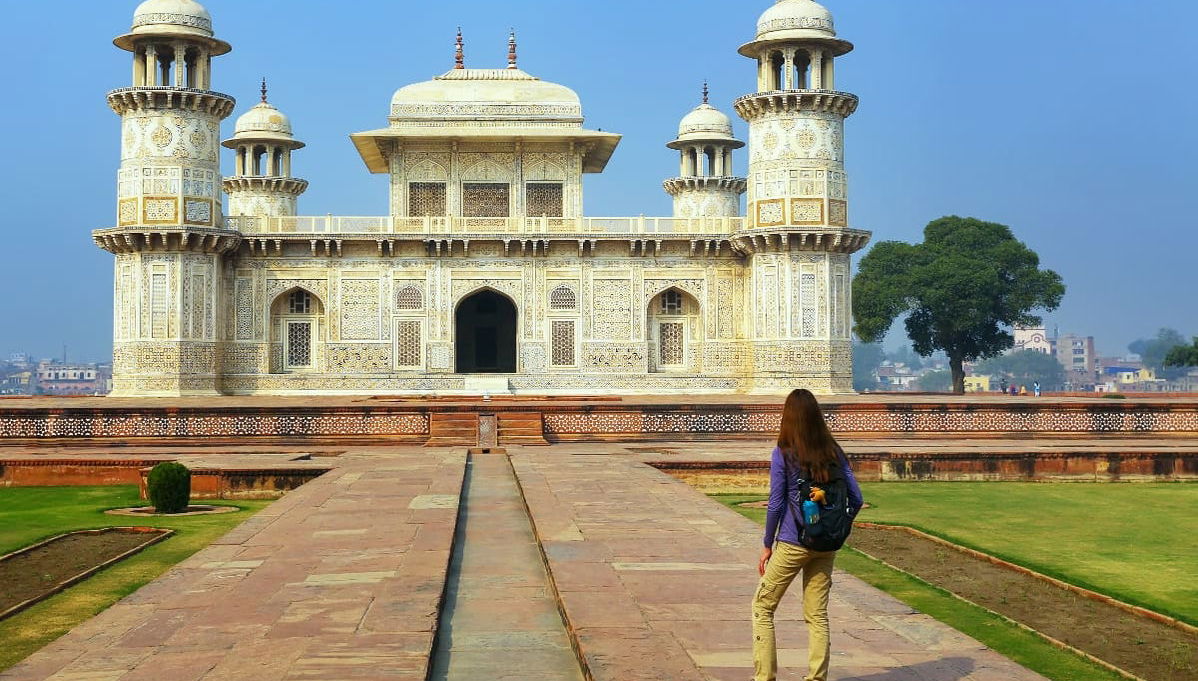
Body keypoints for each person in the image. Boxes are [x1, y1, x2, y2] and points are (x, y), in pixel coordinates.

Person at [754, 389, 864, 681]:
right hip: (826, 545)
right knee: (817, 615)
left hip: (793, 542)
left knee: (763, 606)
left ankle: (764, 677)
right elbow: (857, 498)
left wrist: (767, 544)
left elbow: (776, 503)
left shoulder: (784, 453)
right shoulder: (833, 452)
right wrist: (838, 526)